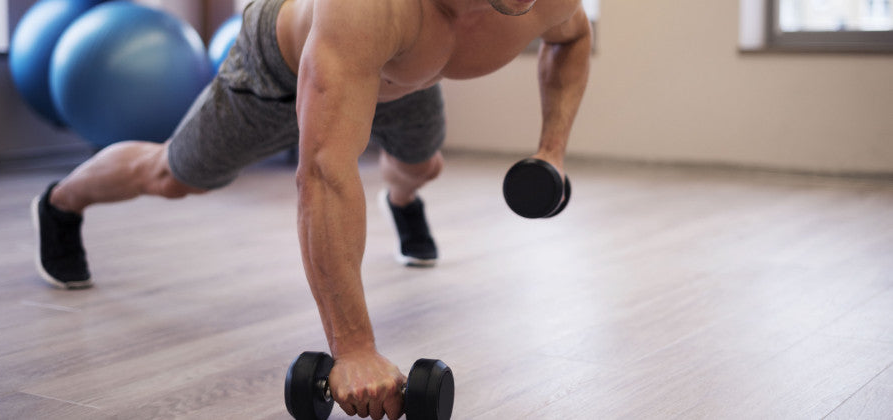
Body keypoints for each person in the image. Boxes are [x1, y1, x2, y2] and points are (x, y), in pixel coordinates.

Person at [31, 0, 591, 418]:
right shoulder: (367, 8)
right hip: (279, 73)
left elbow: (572, 39)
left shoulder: (543, 2)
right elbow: (325, 173)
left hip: (407, 77)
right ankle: (61, 203)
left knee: (423, 167)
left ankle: (401, 198)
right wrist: (354, 348)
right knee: (173, 176)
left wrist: (552, 153)